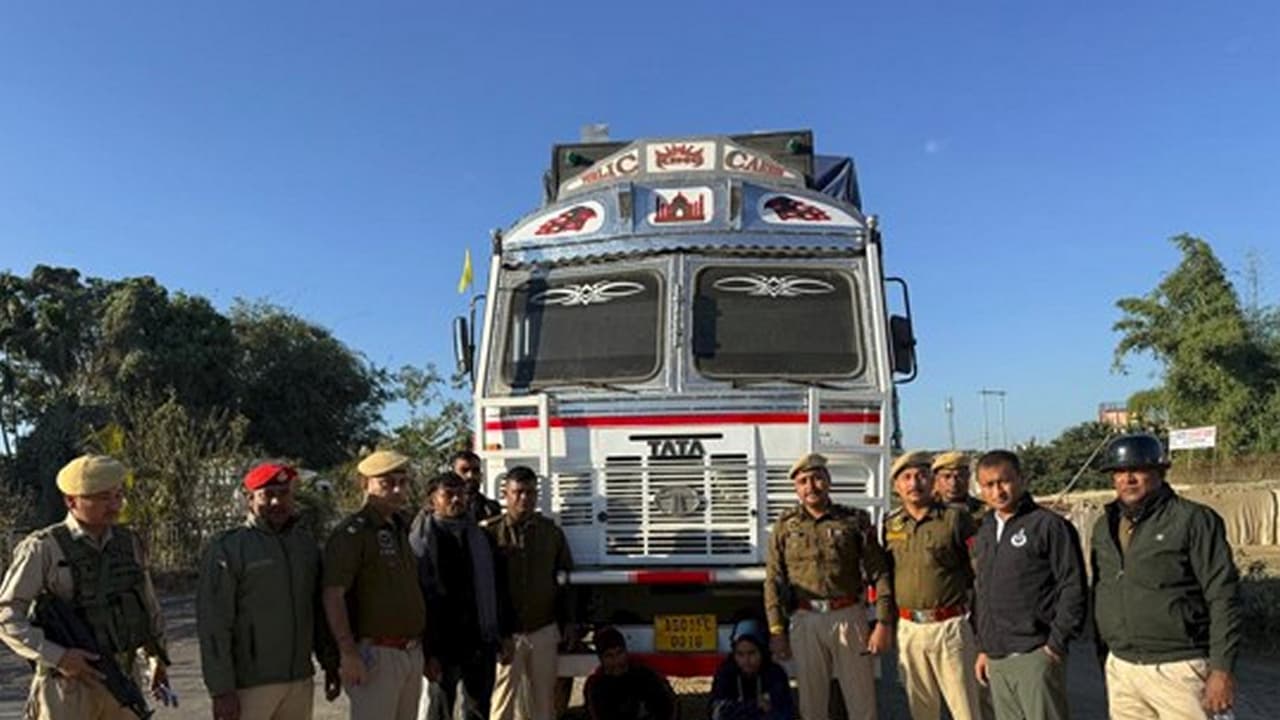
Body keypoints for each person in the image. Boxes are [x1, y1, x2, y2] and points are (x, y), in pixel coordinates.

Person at [0, 454, 173, 719]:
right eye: (104, 497)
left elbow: (147, 606)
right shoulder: (44, 548)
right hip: (68, 688)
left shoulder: (130, 544)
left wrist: (155, 658)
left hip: (122, 680)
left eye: (118, 495)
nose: (116, 505)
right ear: (72, 501)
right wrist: (59, 657)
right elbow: (7, 614)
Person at [1090, 433, 1242, 719]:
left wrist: (1222, 670)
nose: (1128, 479)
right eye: (1119, 471)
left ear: (1160, 471)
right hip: (1123, 668)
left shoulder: (1192, 520)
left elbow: (1223, 596)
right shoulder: (1104, 526)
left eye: (1138, 469)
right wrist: (1105, 656)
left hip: (1179, 668)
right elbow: (1101, 589)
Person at [197, 462, 340, 720]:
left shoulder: (305, 546)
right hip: (250, 685)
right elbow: (214, 623)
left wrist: (330, 663)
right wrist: (221, 690)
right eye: (267, 495)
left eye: (283, 494)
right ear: (250, 499)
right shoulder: (229, 549)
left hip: (299, 679)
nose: (276, 502)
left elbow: (318, 612)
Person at [764, 452, 895, 720]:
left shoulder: (854, 521)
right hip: (805, 619)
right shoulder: (785, 526)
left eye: (817, 478)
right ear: (796, 488)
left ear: (828, 481)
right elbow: (774, 580)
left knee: (862, 703)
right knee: (812, 706)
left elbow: (879, 572)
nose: (811, 486)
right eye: (803, 481)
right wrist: (776, 629)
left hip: (848, 616)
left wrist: (883, 622)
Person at [971, 450, 1085, 720]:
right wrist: (984, 648)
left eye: (1004, 481)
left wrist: (1055, 644)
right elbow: (982, 591)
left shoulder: (1047, 525)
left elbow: (1073, 586)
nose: (998, 491)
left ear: (1021, 480)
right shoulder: (985, 530)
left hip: (1035, 653)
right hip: (996, 658)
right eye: (989, 485)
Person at [322, 449, 426, 720]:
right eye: (386, 483)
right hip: (376, 655)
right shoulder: (353, 533)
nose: (396, 490)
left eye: (402, 482)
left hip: (410, 651)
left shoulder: (401, 527)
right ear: (364, 484)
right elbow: (334, 595)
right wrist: (347, 652)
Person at [883, 451, 982, 720]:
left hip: (949, 627)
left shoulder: (955, 519)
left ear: (931, 481)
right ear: (896, 486)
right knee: (921, 710)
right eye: (906, 477)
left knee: (966, 709)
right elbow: (883, 576)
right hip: (909, 629)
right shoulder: (890, 524)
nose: (914, 483)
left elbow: (979, 573)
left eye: (921, 476)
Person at [411, 472, 513, 720]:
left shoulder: (482, 538)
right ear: (433, 499)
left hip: (480, 638)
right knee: (440, 708)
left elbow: (500, 589)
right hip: (441, 643)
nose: (456, 500)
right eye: (449, 495)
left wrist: (505, 634)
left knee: (478, 708)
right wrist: (427, 652)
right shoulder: (420, 543)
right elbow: (417, 599)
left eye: (461, 494)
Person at [484, 466, 574, 720]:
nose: (525, 498)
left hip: (543, 630)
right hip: (505, 635)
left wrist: (568, 621)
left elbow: (565, 580)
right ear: (506, 494)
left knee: (544, 705)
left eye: (531, 492)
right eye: (518, 492)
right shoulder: (489, 533)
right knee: (500, 705)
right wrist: (495, 632)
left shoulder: (551, 533)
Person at [708, 619, 794, 720]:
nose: (746, 660)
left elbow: (784, 712)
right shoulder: (727, 673)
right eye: (740, 654)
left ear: (762, 652)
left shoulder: (774, 674)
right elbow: (716, 711)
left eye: (752, 653)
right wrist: (755, 707)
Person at [583, 627, 676, 720]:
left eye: (619, 653)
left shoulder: (644, 675)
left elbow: (668, 706)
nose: (616, 660)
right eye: (609, 656)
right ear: (601, 659)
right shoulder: (596, 686)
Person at [931, 451, 986, 527]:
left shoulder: (985, 512)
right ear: (936, 479)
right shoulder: (927, 512)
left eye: (960, 476)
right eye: (947, 477)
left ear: (968, 477)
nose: (953, 483)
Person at [453, 450, 502, 522]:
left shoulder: (492, 508)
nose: (470, 476)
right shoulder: (443, 509)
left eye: (475, 470)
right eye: (464, 470)